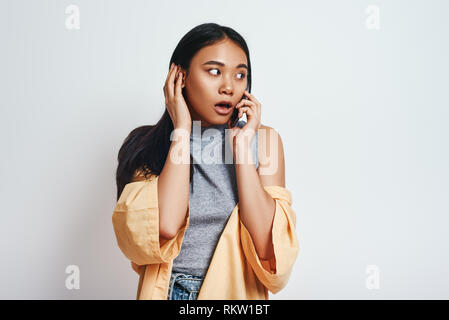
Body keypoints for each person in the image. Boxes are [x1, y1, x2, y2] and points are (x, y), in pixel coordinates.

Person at [112, 22, 299, 300]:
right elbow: (163, 225)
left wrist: (243, 151)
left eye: (240, 75)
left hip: (236, 295)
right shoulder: (146, 145)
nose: (228, 87)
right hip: (170, 292)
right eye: (214, 71)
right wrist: (182, 130)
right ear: (180, 76)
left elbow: (266, 246)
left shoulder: (266, 143)